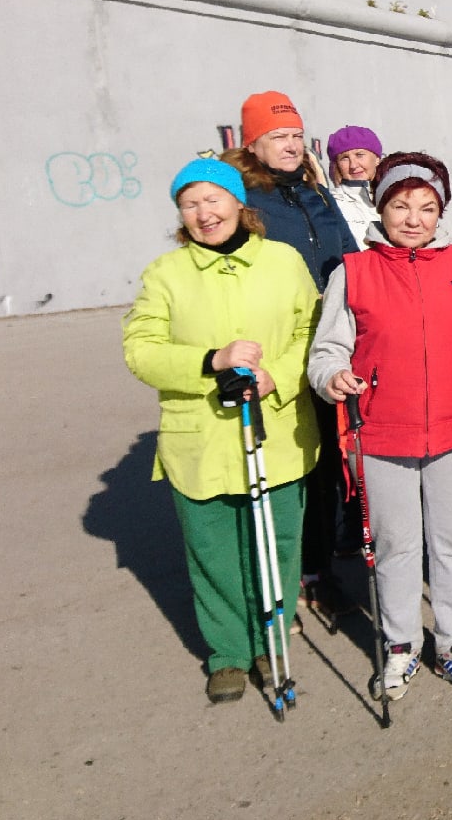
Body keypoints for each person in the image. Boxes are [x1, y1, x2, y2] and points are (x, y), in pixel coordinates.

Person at [308, 152, 452, 701]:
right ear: (382, 208)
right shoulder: (354, 271)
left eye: (426, 207)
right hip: (382, 431)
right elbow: (327, 351)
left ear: (441, 212)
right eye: (401, 206)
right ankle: (401, 645)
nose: (414, 218)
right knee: (396, 545)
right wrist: (332, 377)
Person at [122, 159, 321, 703]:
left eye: (213, 200)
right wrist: (211, 359)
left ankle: (269, 643)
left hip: (277, 435)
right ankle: (228, 652)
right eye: (190, 204)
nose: (204, 213)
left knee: (277, 547)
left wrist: (276, 376)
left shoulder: (283, 261)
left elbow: (312, 332)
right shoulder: (166, 273)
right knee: (214, 553)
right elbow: (141, 351)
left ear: (238, 203)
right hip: (201, 443)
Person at [225, 91, 358, 621]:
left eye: (298, 136)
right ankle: (275, 578)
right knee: (280, 472)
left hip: (325, 347)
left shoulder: (316, 194)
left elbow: (351, 260)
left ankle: (316, 571)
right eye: (278, 136)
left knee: (323, 467)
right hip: (274, 351)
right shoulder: (240, 201)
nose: (292, 145)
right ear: (252, 144)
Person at [327, 125, 383, 251]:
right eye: (345, 158)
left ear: (377, 159)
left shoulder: (393, 198)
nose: (353, 165)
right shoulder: (331, 204)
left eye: (359, 155)